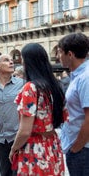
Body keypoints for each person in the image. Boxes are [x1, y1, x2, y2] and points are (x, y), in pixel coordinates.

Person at [9, 43, 68, 175]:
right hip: (52, 145)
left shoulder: (31, 88)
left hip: (35, 148)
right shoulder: (55, 86)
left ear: (28, 62)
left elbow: (25, 131)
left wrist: (14, 148)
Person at [0, 54, 24, 176]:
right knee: (4, 172)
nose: (11, 62)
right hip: (0, 140)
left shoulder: (22, 84)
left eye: (12, 60)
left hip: (18, 138)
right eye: (7, 61)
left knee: (18, 173)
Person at [58, 32, 89, 176]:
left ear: (69, 54)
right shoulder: (78, 75)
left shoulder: (85, 77)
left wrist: (76, 148)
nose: (58, 57)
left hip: (83, 149)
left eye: (60, 52)